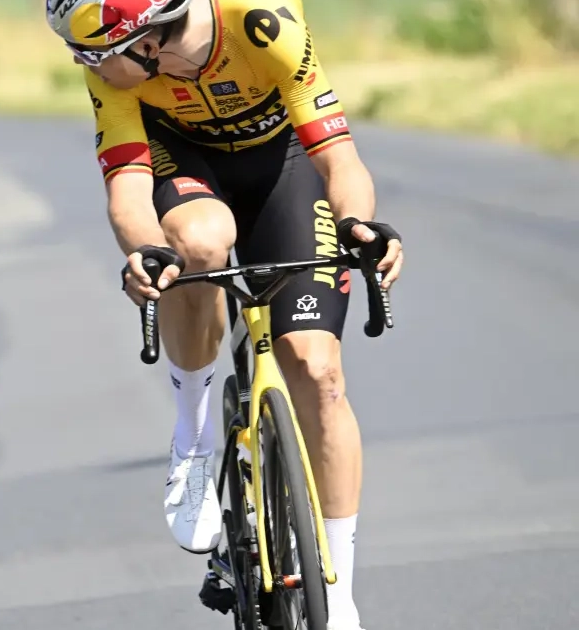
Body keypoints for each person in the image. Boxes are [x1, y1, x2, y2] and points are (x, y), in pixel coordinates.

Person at [45, 1, 404, 629]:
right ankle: (194, 436)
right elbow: (127, 189)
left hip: (283, 164)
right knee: (201, 242)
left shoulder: (260, 23)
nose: (85, 67)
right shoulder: (117, 70)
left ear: (145, 43)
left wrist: (358, 225)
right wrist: (146, 251)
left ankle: (339, 592)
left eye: (93, 56)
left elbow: (337, 156)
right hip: (183, 163)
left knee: (318, 373)